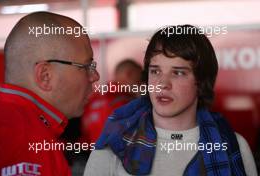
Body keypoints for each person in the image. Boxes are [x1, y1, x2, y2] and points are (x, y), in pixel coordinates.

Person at [84, 25, 257, 176]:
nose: (163, 84)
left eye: (178, 72)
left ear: (201, 81)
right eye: (155, 71)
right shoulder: (113, 146)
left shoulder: (234, 146)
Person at [0, 11, 99, 176]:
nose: (95, 76)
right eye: (86, 66)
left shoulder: (20, 127)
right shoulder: (26, 139)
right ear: (45, 75)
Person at [81, 59, 142, 144]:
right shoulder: (127, 101)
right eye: (140, 77)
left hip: (93, 153)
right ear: (130, 74)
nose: (142, 83)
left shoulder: (93, 98)